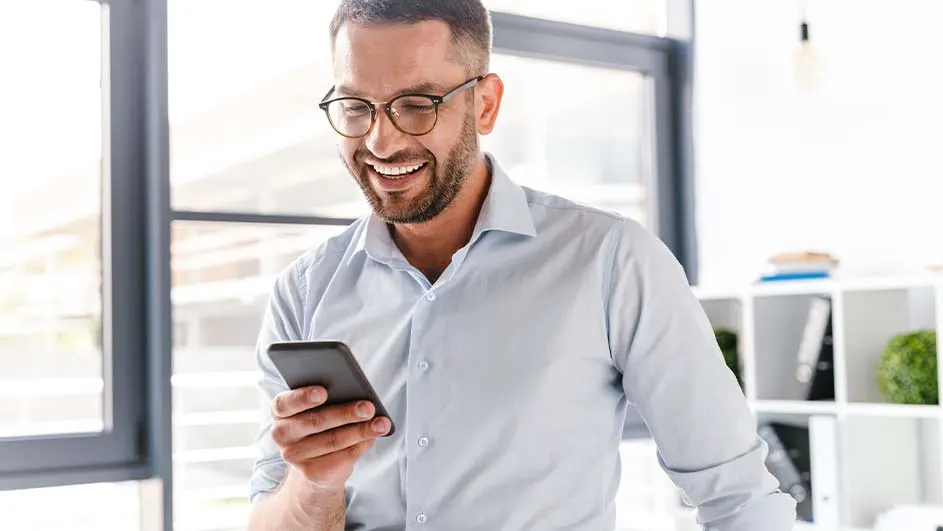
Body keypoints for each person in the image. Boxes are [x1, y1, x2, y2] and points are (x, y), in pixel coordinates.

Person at [247, 1, 797, 530]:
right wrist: (312, 486)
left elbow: (739, 500)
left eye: (417, 104)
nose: (380, 140)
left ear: (485, 103)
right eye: (356, 106)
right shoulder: (305, 289)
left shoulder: (610, 260)